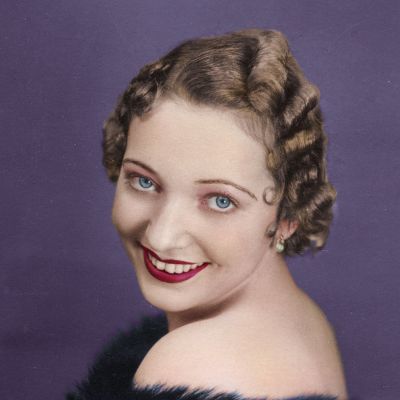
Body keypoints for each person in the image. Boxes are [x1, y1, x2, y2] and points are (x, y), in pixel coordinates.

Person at [66, 29, 348, 400]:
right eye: (144, 182)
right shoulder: (301, 316)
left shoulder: (191, 367)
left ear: (287, 218)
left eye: (220, 201)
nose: (162, 236)